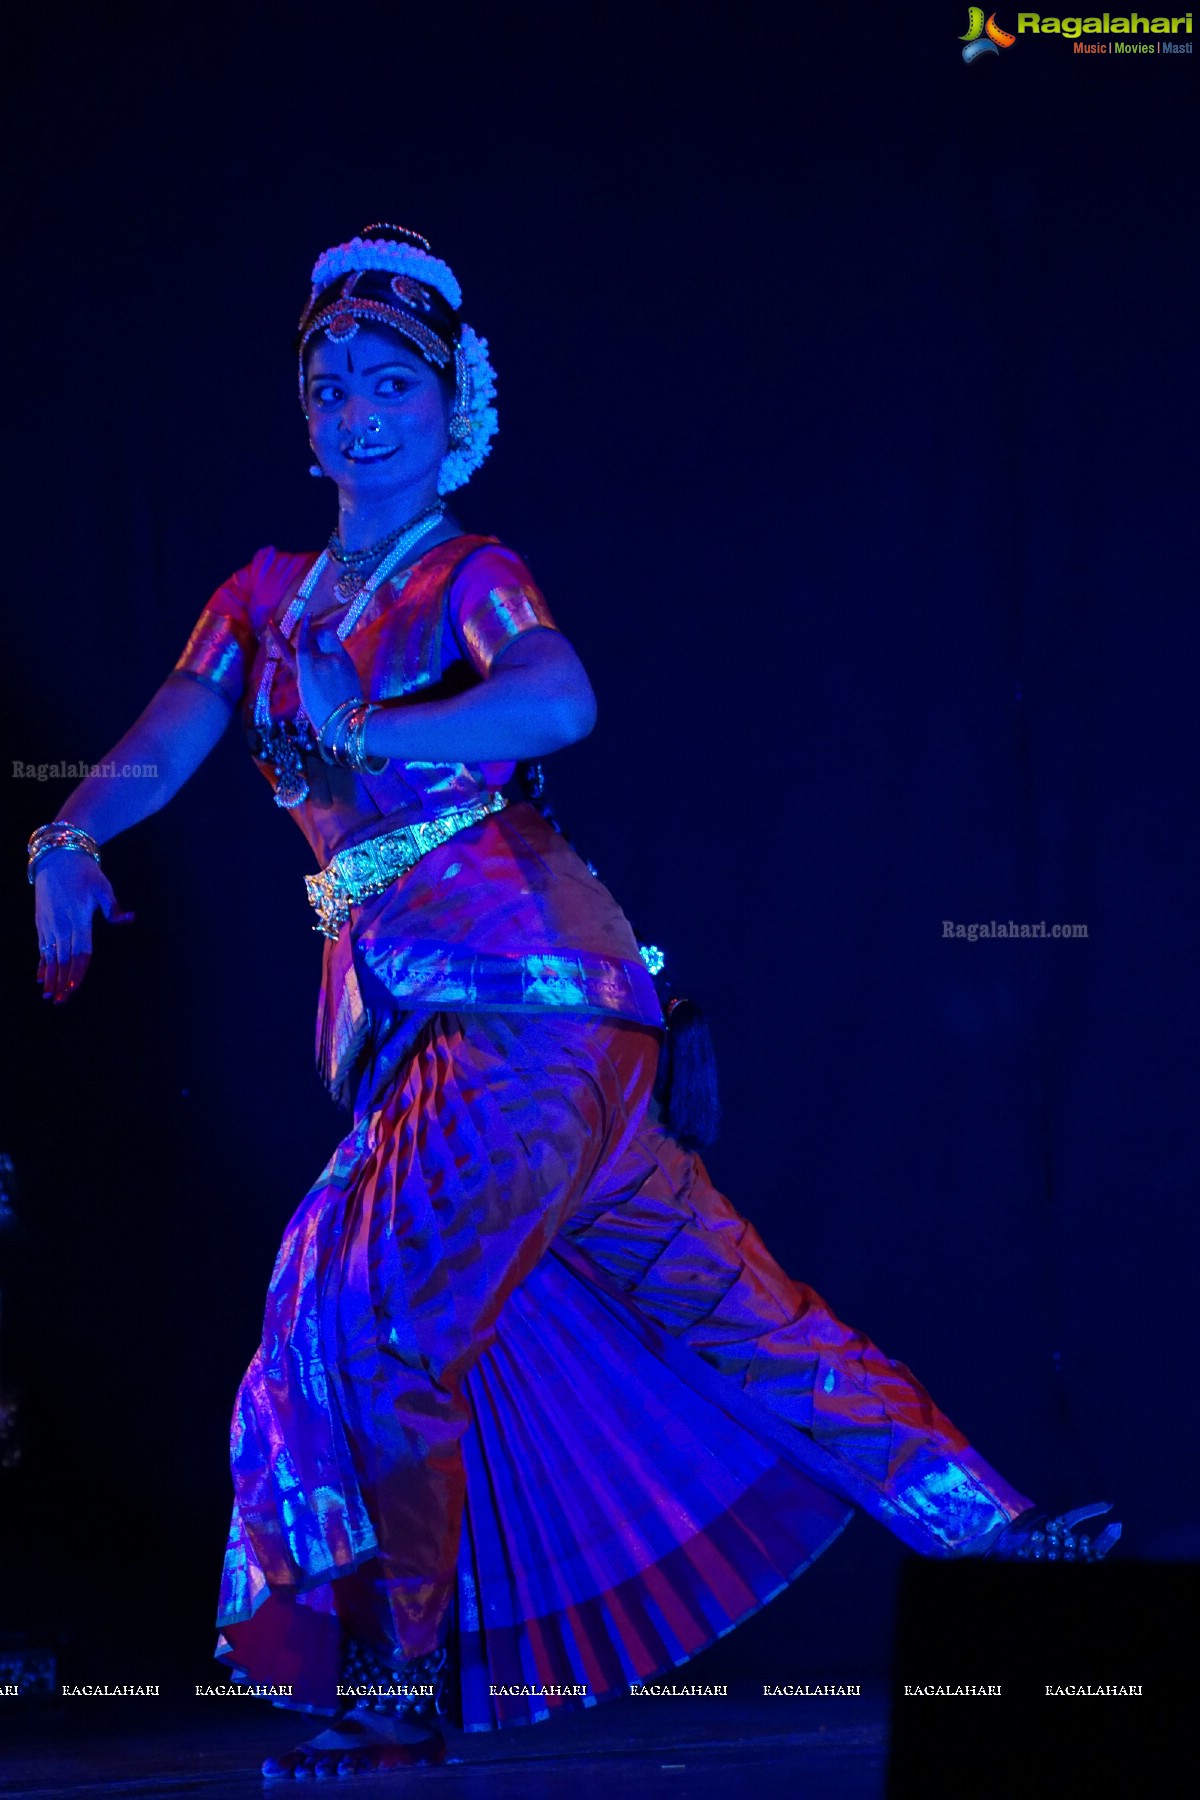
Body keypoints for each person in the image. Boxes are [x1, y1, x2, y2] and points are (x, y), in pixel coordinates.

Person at [29, 225, 1120, 1781]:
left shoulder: (471, 573)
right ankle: (1005, 1542)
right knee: (740, 1321)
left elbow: (564, 696)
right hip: (492, 1028)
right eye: (329, 383)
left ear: (449, 398)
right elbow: (173, 732)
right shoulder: (264, 598)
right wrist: (66, 832)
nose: (356, 412)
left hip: (521, 1008)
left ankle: (403, 1691)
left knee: (373, 1327)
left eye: (391, 380)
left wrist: (392, 725)